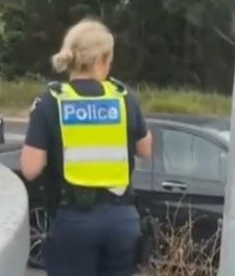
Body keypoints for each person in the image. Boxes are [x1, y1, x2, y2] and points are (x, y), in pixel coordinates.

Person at [20, 18, 152, 276]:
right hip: (121, 223)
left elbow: (29, 168)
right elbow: (146, 150)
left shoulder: (51, 102)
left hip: (73, 223)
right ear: (101, 60)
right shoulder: (123, 98)